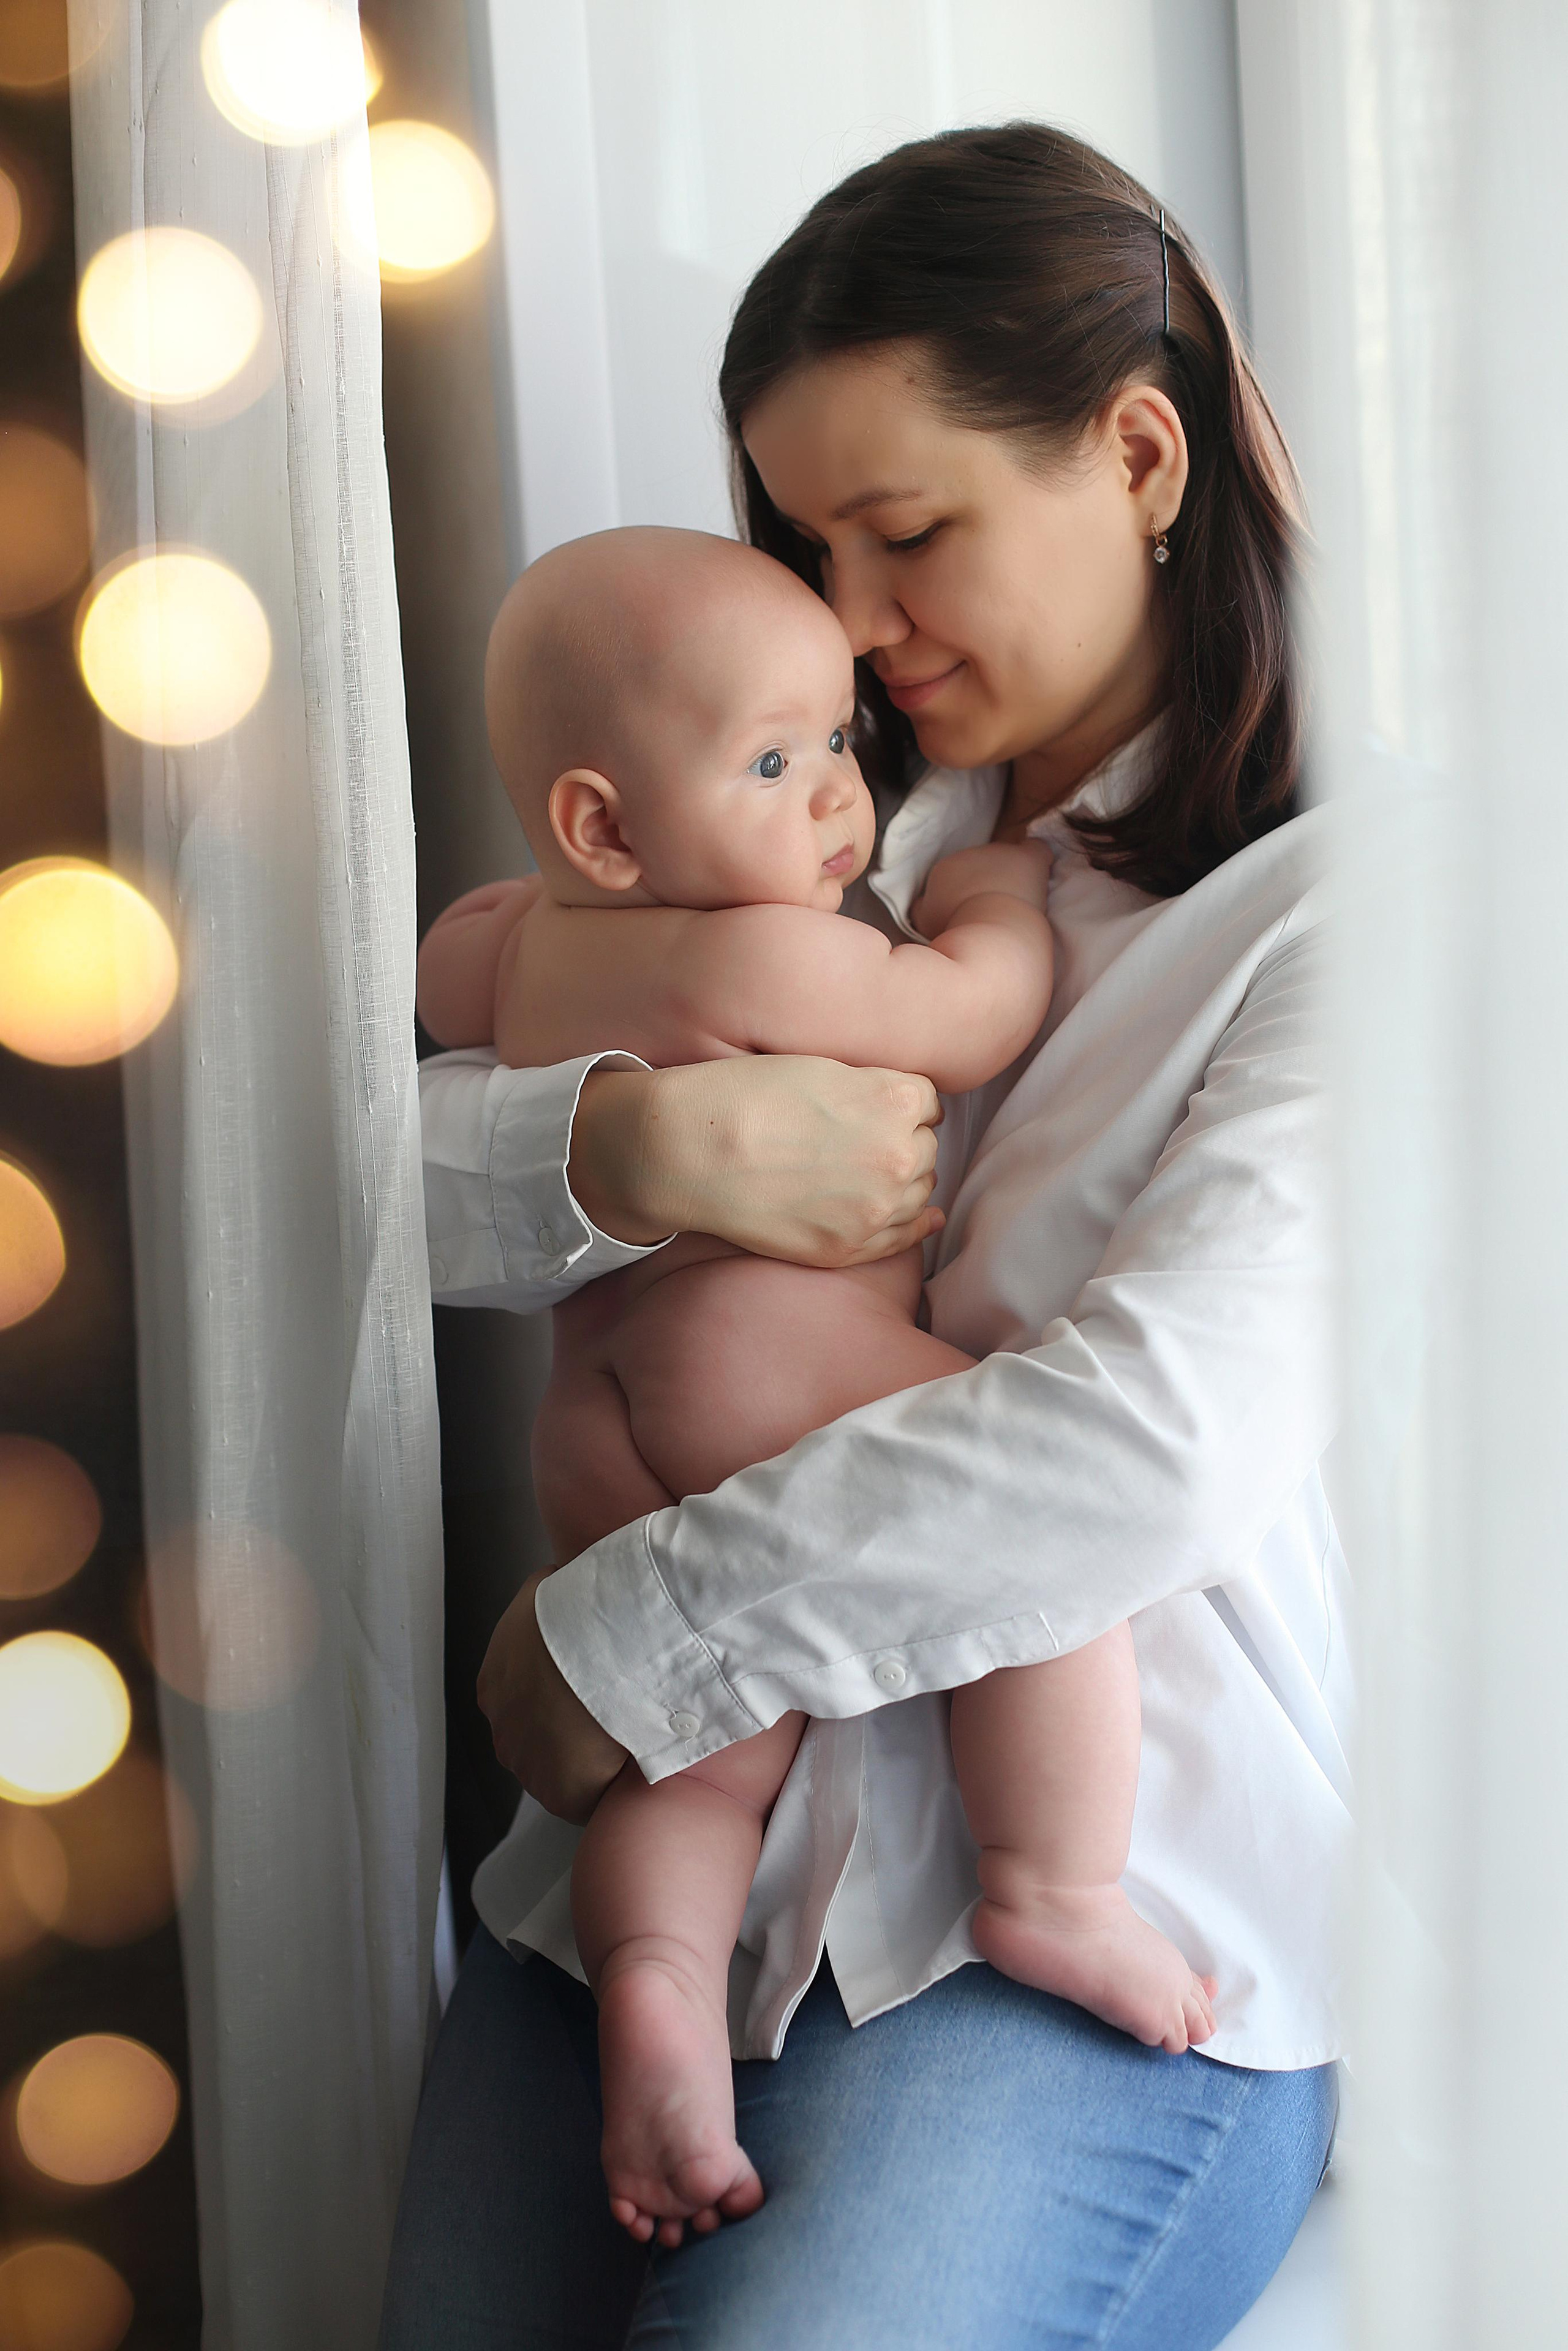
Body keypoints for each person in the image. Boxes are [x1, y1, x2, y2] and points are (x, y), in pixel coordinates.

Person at [381, 123, 1346, 2351]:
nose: (861, 615)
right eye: (811, 541)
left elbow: (1147, 1444)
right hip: (654, 1897)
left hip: (1102, 1914)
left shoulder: (1353, 900)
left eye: (908, 532)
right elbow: (359, 1194)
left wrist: (626, 1642)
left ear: (1136, 454)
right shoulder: (798, 810)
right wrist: (625, 1163)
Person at [417, 523, 1218, 2249]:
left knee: (695, 1767)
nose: (838, 802)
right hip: (762, 1355)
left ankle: (653, 1990)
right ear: (605, 827)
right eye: (776, 763)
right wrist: (989, 904)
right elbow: (968, 1014)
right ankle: (1053, 1888)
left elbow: (428, 1003)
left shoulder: (515, 935)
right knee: (1052, 1579)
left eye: (838, 743)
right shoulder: (757, 953)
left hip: (599, 1414)